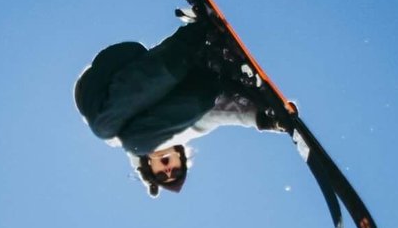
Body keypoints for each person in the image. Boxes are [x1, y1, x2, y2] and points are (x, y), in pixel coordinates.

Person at [73, 16, 287, 197]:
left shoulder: (126, 140)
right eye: (175, 169)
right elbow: (223, 114)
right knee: (131, 136)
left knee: (110, 131)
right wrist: (262, 118)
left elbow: (130, 145)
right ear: (180, 156)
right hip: (187, 72)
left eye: (162, 173)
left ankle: (197, 35)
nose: (167, 168)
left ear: (149, 167)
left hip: (110, 75)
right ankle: (212, 65)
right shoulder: (188, 128)